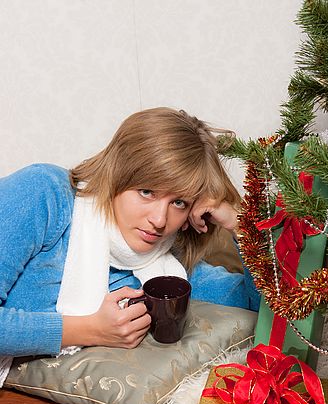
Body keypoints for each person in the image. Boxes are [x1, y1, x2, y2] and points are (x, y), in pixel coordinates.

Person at [0, 107, 259, 375]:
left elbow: (263, 308)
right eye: (146, 192)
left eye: (179, 202)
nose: (159, 220)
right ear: (116, 176)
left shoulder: (170, 269)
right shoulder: (44, 192)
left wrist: (241, 224)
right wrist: (88, 329)